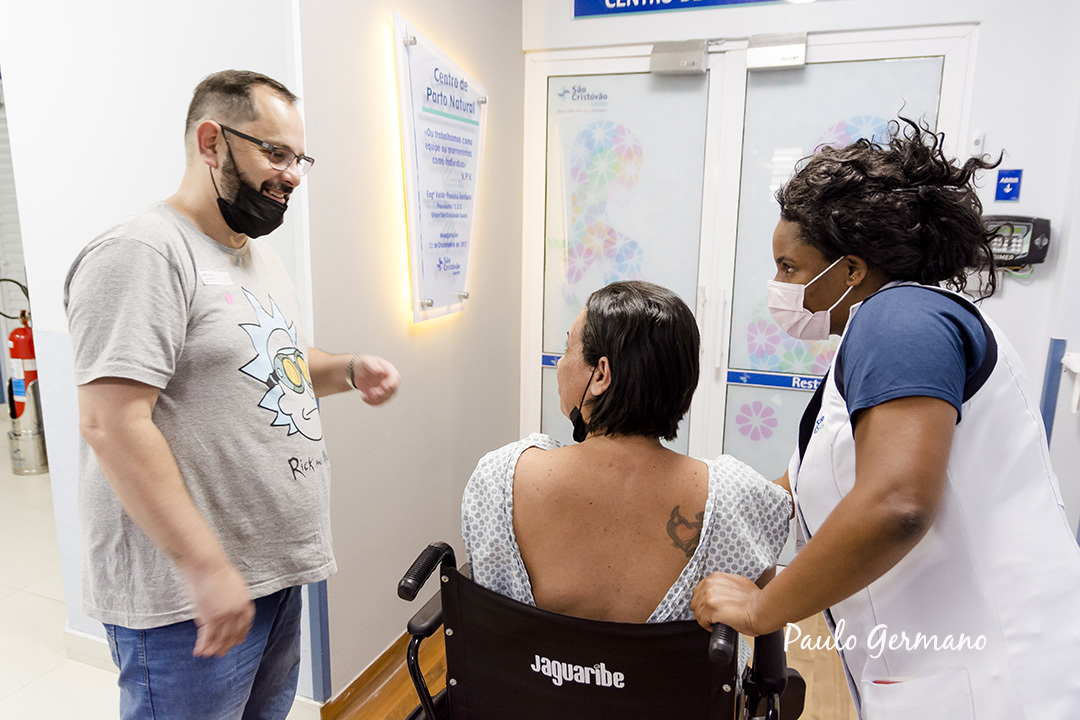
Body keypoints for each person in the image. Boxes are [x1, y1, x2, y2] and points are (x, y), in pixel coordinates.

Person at [691, 119, 1080, 718]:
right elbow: (791, 498)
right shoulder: (873, 347)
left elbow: (897, 503)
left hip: (1000, 685)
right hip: (938, 674)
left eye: (789, 267)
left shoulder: (900, 318)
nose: (778, 286)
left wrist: (761, 610)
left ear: (850, 270)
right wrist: (676, 512)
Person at [64, 70, 400, 719]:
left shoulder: (255, 256)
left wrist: (348, 369)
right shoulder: (143, 252)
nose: (292, 175)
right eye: (275, 153)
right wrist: (206, 569)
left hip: (270, 575)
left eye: (299, 159)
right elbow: (112, 423)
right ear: (211, 141)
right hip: (187, 600)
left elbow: (275, 362)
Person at [462, 280, 790, 633]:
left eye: (568, 347)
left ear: (601, 374)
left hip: (529, 670)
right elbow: (761, 601)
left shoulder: (500, 479)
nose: (560, 362)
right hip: (670, 674)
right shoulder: (737, 499)